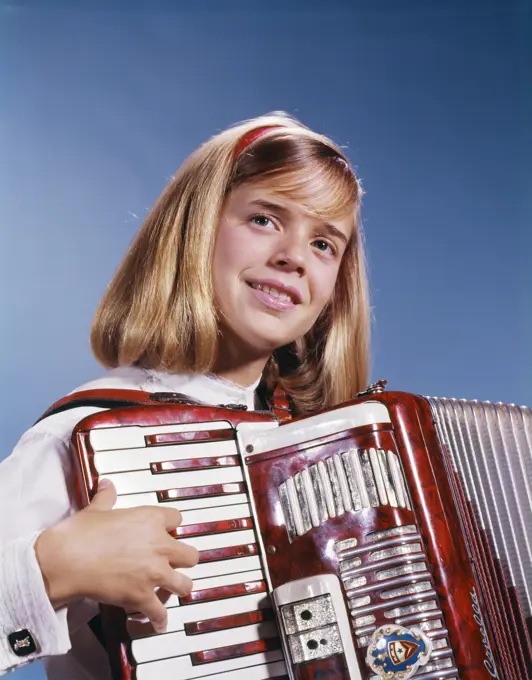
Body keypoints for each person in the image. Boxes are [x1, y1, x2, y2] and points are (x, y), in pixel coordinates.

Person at [0, 112, 370, 679]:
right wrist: (56, 568)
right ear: (195, 231)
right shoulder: (89, 432)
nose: (294, 255)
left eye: (324, 243)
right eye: (265, 218)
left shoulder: (324, 444)